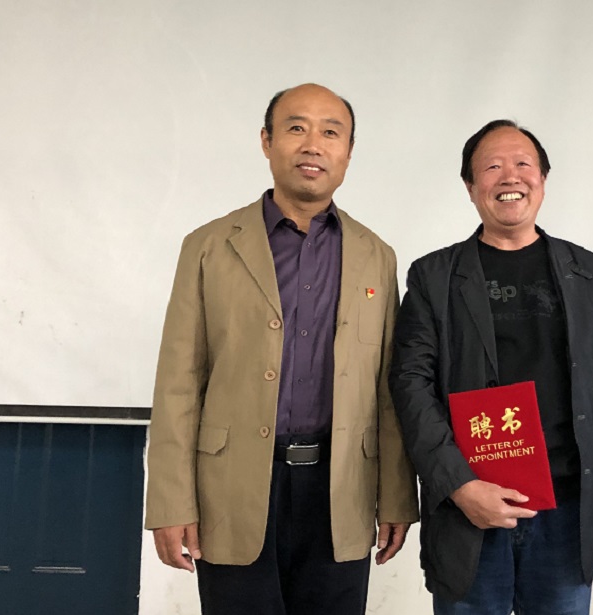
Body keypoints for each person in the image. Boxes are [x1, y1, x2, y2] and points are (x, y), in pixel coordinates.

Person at [145, 83, 418, 615]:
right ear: (267, 142)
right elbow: (179, 381)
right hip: (232, 488)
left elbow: (388, 390)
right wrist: (170, 503)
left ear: (348, 152)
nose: (313, 144)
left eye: (331, 132)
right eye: (296, 128)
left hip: (341, 488)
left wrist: (397, 497)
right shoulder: (209, 246)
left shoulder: (376, 255)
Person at [389, 119, 593, 615]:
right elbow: (410, 385)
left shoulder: (588, 272)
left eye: (523, 164)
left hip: (568, 509)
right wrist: (459, 485)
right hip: (469, 509)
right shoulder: (434, 276)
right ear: (470, 186)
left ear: (543, 179)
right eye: (492, 167)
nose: (510, 177)